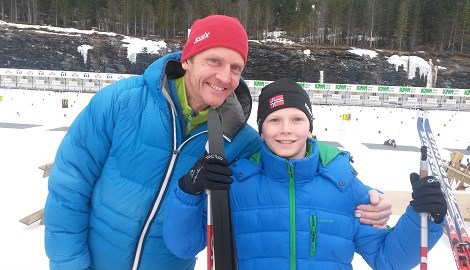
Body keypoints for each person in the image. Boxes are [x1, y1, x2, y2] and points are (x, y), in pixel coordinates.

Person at [43, 15, 392, 270]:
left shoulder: (240, 138)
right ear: (187, 59)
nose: (225, 77)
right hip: (92, 259)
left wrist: (358, 189)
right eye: (214, 60)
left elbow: (294, 163)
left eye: (236, 67)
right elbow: (69, 185)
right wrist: (69, 263)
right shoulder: (121, 102)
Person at [163, 78, 447, 269]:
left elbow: (389, 259)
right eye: (274, 120)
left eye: (297, 119)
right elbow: (184, 246)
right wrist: (188, 191)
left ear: (310, 127)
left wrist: (425, 217)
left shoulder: (344, 185)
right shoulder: (236, 183)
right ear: (261, 130)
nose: (286, 129)